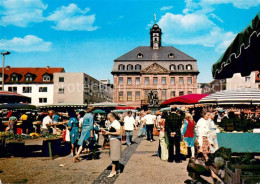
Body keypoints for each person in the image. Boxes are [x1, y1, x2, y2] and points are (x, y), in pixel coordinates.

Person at [103, 113, 122, 178]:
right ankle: (118, 169)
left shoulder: (116, 123)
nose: (108, 120)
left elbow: (119, 132)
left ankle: (113, 171)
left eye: (109, 118)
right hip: (113, 139)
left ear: (112, 117)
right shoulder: (113, 123)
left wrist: (109, 133)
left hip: (115, 140)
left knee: (114, 156)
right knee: (114, 155)